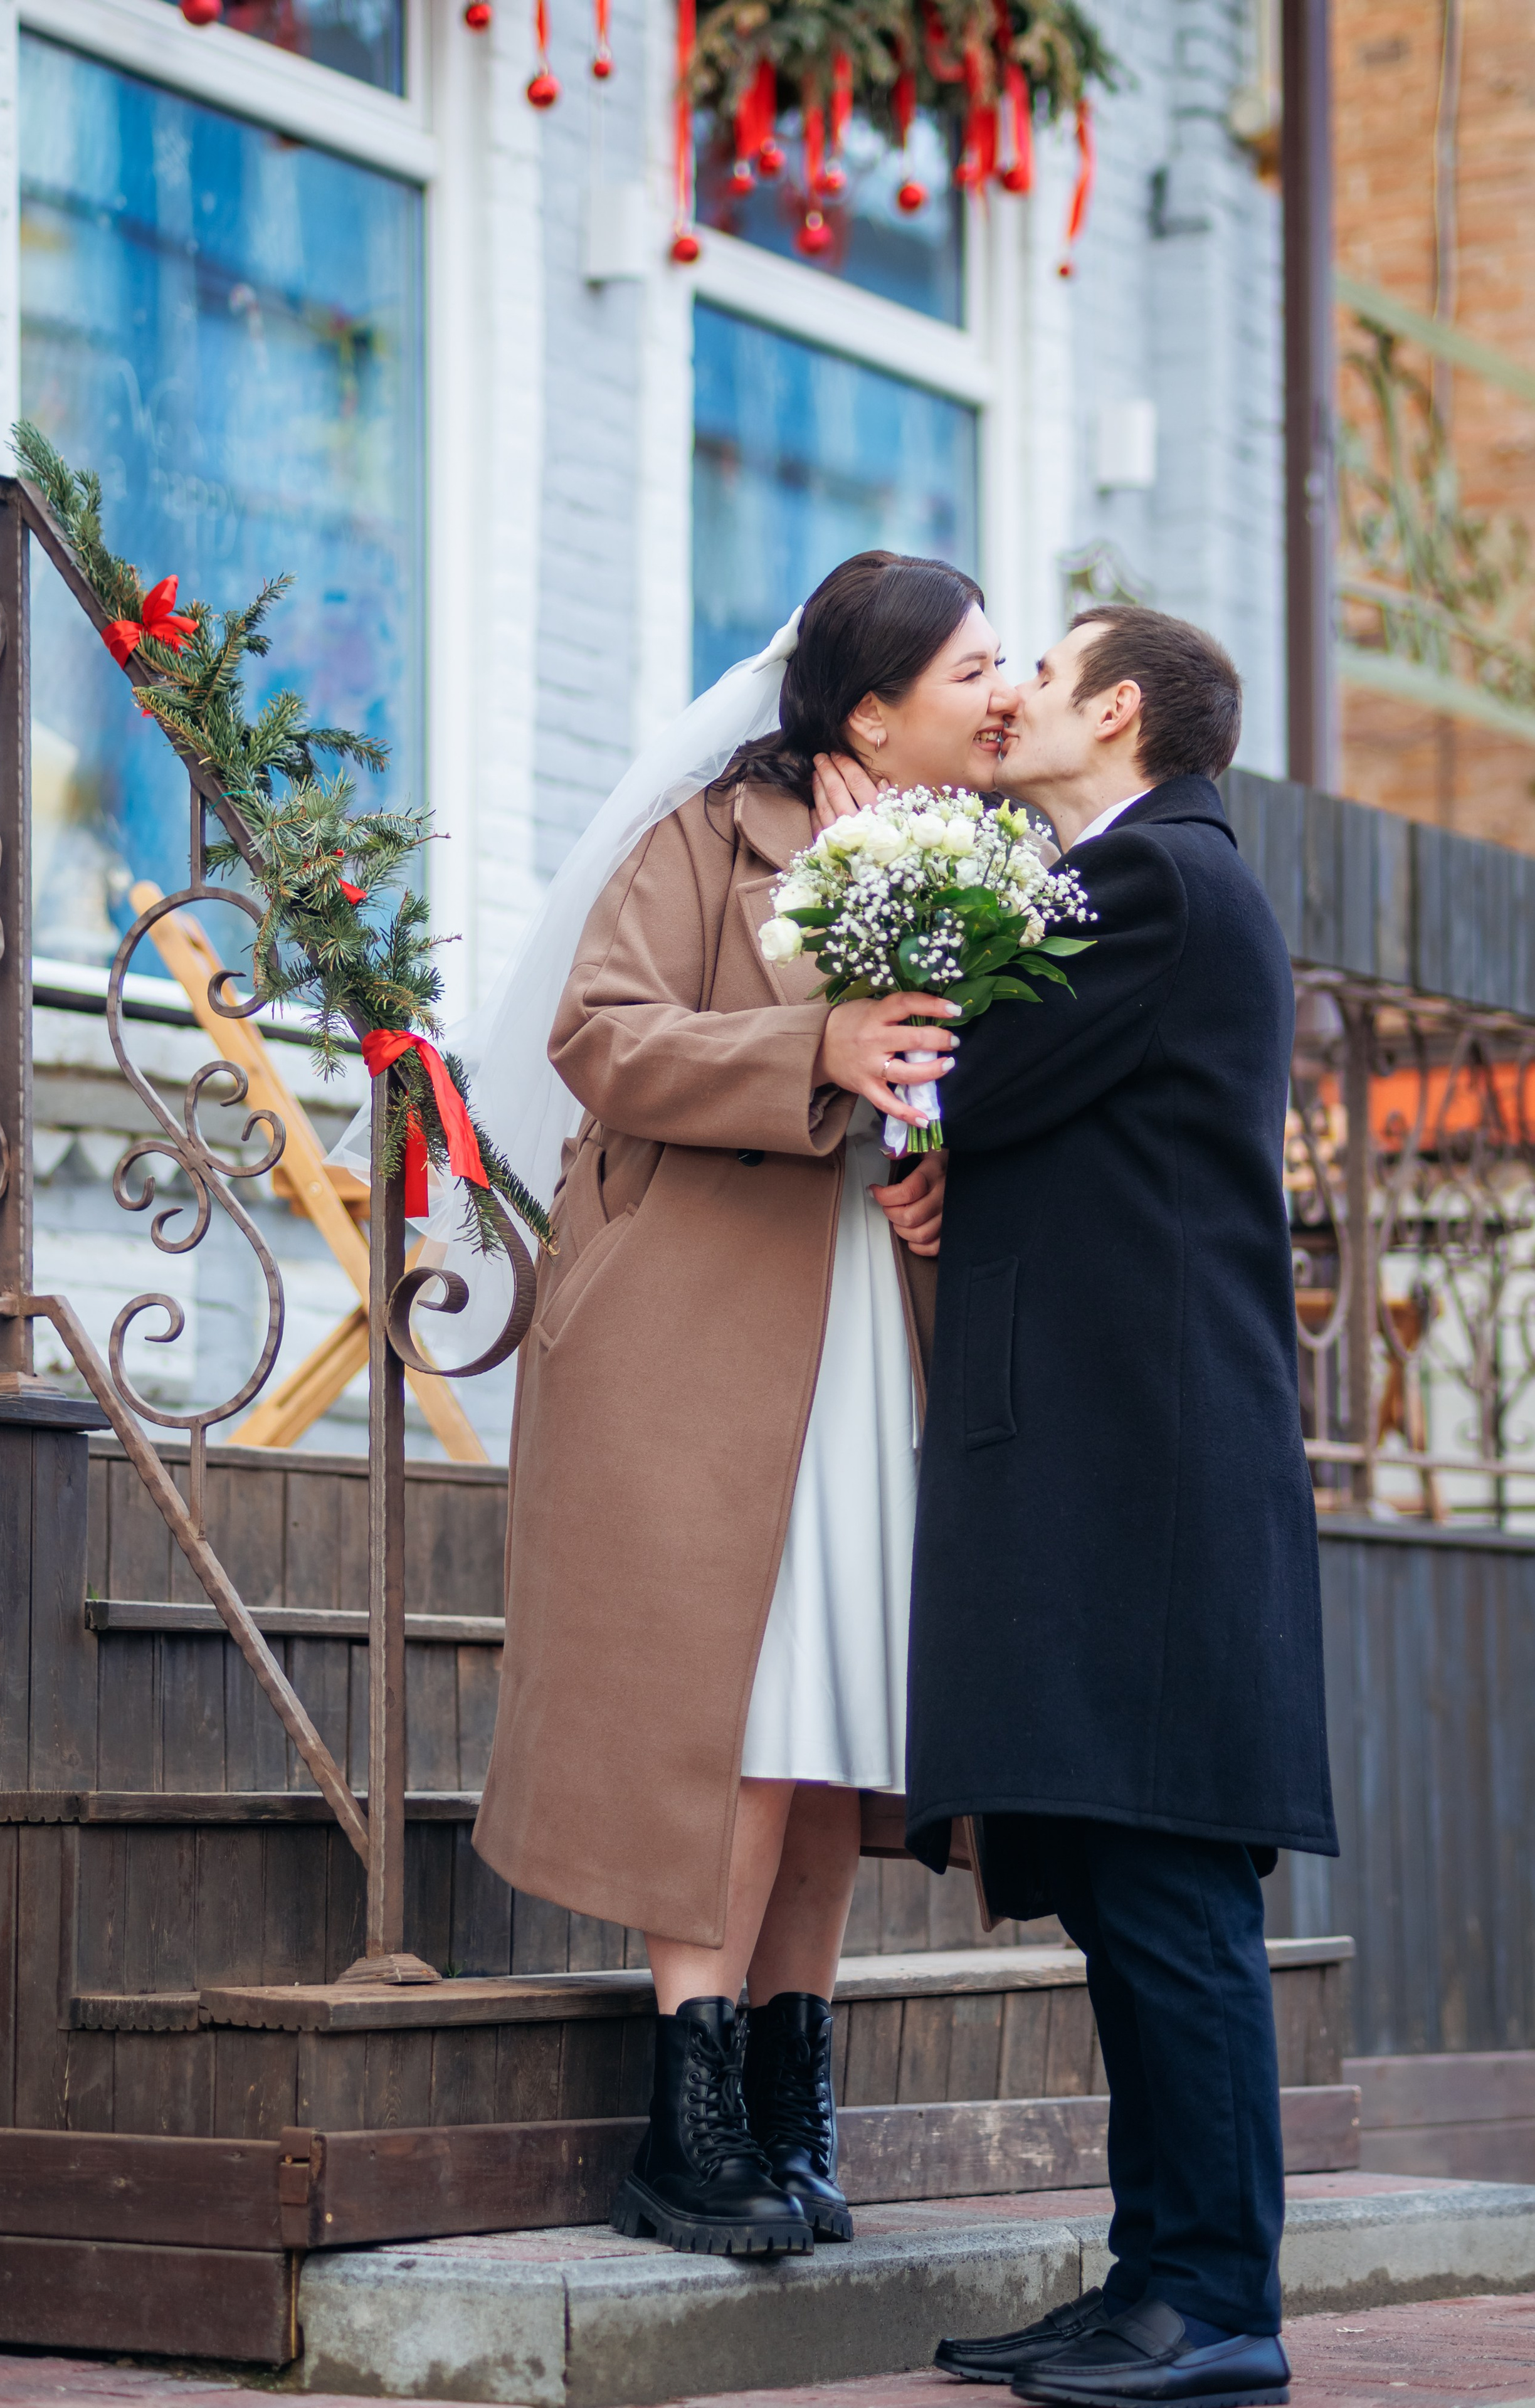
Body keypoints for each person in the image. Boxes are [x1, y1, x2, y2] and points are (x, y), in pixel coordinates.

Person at [468, 551, 1008, 2256]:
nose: (1006, 693)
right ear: (872, 710)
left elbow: (967, 1084)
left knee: (843, 1720)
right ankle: (685, 2116)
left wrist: (945, 1166)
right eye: (975, 668)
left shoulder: (995, 870)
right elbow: (602, 1035)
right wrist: (816, 1049)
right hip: (701, 1341)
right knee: (747, 1706)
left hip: (875, 1330)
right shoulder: (708, 839)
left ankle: (789, 2093)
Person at [862, 605, 1332, 2400]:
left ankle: (1214, 2307)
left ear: (1120, 710)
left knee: (1168, 1888)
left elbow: (977, 1074)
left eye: (1042, 675)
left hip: (1150, 1467)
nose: (1012, 701)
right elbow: (1013, 1110)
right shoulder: (1129, 883)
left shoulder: (1155, 882)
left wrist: (931, 1113)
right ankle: (1155, 2278)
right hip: (1110, 1451)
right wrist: (948, 1151)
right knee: (1125, 1890)